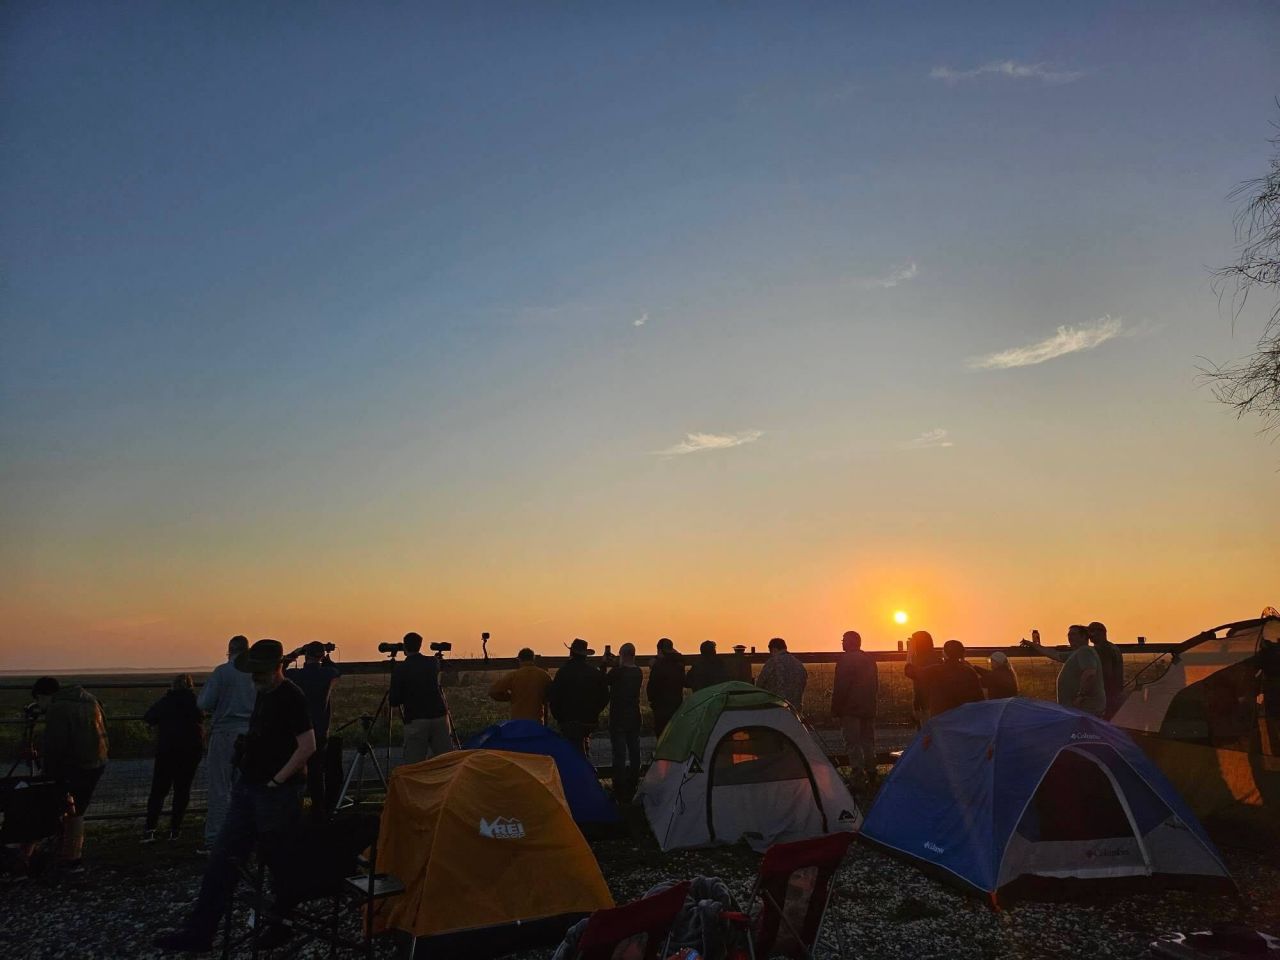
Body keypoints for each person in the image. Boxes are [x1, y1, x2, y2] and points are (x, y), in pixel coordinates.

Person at [156, 638, 315, 953]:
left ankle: (279, 925)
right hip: (250, 787)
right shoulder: (264, 694)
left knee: (278, 863)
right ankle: (200, 932)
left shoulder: (290, 696)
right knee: (223, 860)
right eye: (252, 673)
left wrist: (277, 780)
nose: (254, 679)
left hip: (275, 794)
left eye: (260, 673)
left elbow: (308, 745)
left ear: (277, 668)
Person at [31, 676, 109, 870]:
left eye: (39, 700)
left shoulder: (58, 709)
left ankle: (61, 853)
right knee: (78, 809)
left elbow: (55, 745)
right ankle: (73, 854)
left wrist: (47, 773)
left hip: (75, 765)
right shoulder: (90, 699)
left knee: (61, 807)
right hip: (97, 762)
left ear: (44, 695)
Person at [198, 634, 257, 850]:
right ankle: (246, 836)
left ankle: (215, 839)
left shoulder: (222, 672)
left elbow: (204, 702)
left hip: (224, 733)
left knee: (220, 789)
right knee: (246, 787)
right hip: (251, 733)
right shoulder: (255, 674)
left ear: (229, 650)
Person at [142, 674, 204, 842]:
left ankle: (150, 829)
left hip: (167, 750)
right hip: (191, 751)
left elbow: (149, 716)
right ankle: (175, 829)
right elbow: (201, 716)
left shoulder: (166, 701)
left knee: (158, 791)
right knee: (182, 790)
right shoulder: (195, 702)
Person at [284, 642, 341, 818]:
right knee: (317, 774)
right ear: (321, 656)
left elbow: (280, 667)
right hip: (320, 729)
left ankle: (294, 810)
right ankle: (319, 810)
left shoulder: (295, 675)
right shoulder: (328, 674)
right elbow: (335, 670)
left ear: (306, 655)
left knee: (295, 771)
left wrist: (296, 652)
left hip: (298, 731)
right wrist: (327, 656)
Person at [388, 632, 453, 763]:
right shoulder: (433, 662)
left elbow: (394, 700)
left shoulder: (401, 669)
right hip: (439, 716)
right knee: (446, 760)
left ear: (404, 647)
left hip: (416, 719)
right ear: (420, 645)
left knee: (415, 763)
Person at [1026, 625, 1107, 717]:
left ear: (1084, 637)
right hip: (1079, 709)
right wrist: (1032, 644)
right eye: (1068, 635)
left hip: (1086, 708)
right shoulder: (1077, 653)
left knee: (1083, 731)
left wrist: (1080, 696)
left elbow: (1090, 673)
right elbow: (1054, 654)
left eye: (1073, 634)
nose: (1070, 637)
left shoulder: (1085, 651)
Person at [831, 630, 878, 788]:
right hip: (867, 707)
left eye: (844, 639)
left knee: (852, 743)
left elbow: (841, 687)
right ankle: (872, 772)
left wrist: (836, 709)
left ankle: (857, 777)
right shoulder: (869, 659)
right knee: (868, 742)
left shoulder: (845, 660)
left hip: (850, 709)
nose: (842, 642)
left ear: (851, 642)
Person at [549, 638, 609, 757]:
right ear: (585, 655)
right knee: (581, 743)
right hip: (588, 720)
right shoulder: (594, 673)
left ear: (571, 653)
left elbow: (554, 697)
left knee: (572, 751)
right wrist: (595, 712)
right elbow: (605, 696)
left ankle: (580, 770)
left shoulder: (563, 672)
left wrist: (559, 717)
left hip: (567, 720)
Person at [605, 643, 643, 800]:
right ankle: (633, 782)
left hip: (618, 716)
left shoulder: (617, 672)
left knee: (619, 754)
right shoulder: (638, 672)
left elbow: (605, 680)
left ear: (622, 655)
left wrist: (605, 664)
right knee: (635, 751)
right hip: (634, 715)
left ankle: (619, 786)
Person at [917, 640, 985, 717]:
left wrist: (911, 655)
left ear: (945, 654)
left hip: (941, 718)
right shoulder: (969, 672)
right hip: (964, 718)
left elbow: (915, 673)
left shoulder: (935, 670)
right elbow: (979, 697)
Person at [489, 647, 554, 723]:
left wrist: (509, 697)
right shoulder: (543, 675)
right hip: (537, 720)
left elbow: (493, 691)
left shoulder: (514, 675)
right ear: (533, 659)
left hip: (518, 720)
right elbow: (552, 693)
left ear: (519, 660)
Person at [647, 638, 685, 739]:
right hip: (676, 704)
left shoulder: (658, 666)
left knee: (662, 736)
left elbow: (651, 690)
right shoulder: (679, 663)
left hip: (661, 707)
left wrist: (654, 666)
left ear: (659, 651)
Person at [902, 631, 942, 726]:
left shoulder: (919, 660)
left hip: (926, 705)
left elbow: (909, 672)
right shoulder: (937, 658)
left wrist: (910, 652)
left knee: (927, 733)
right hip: (938, 703)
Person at [757, 637, 808, 711]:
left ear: (774, 649)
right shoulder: (799, 665)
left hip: (775, 708)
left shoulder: (772, 663)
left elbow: (760, 685)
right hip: (795, 711)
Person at [1088, 621, 1125, 719]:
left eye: (1091, 631)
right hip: (1114, 693)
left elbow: (1107, 673)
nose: (1089, 635)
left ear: (1101, 632)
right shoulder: (1113, 647)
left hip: (1107, 693)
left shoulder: (1103, 649)